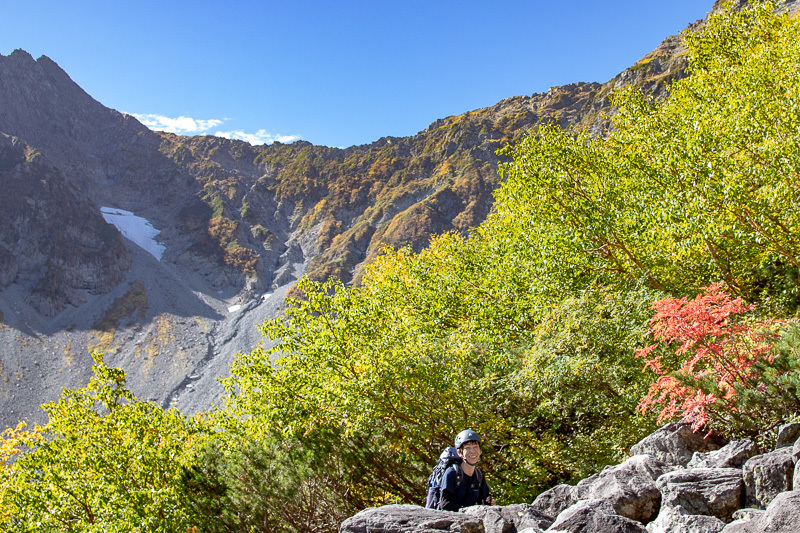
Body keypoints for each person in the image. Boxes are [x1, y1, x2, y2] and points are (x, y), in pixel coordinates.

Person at [438, 429, 493, 511]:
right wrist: (466, 512)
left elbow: (484, 501)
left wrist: (489, 502)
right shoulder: (452, 473)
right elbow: (445, 504)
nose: (472, 451)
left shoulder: (479, 476)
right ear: (459, 453)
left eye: (475, 447)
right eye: (467, 448)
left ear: (480, 451)